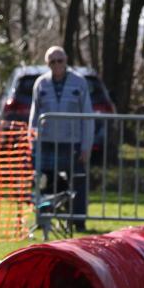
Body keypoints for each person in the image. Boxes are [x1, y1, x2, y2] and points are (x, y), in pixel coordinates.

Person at [29, 46, 94, 231]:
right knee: (45, 183)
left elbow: (87, 116)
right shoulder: (41, 83)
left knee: (78, 182)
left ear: (66, 61)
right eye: (52, 61)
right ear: (47, 63)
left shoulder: (79, 83)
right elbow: (34, 115)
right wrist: (31, 141)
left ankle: (78, 221)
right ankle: (44, 220)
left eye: (60, 61)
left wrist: (86, 146)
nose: (56, 64)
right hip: (47, 143)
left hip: (72, 143)